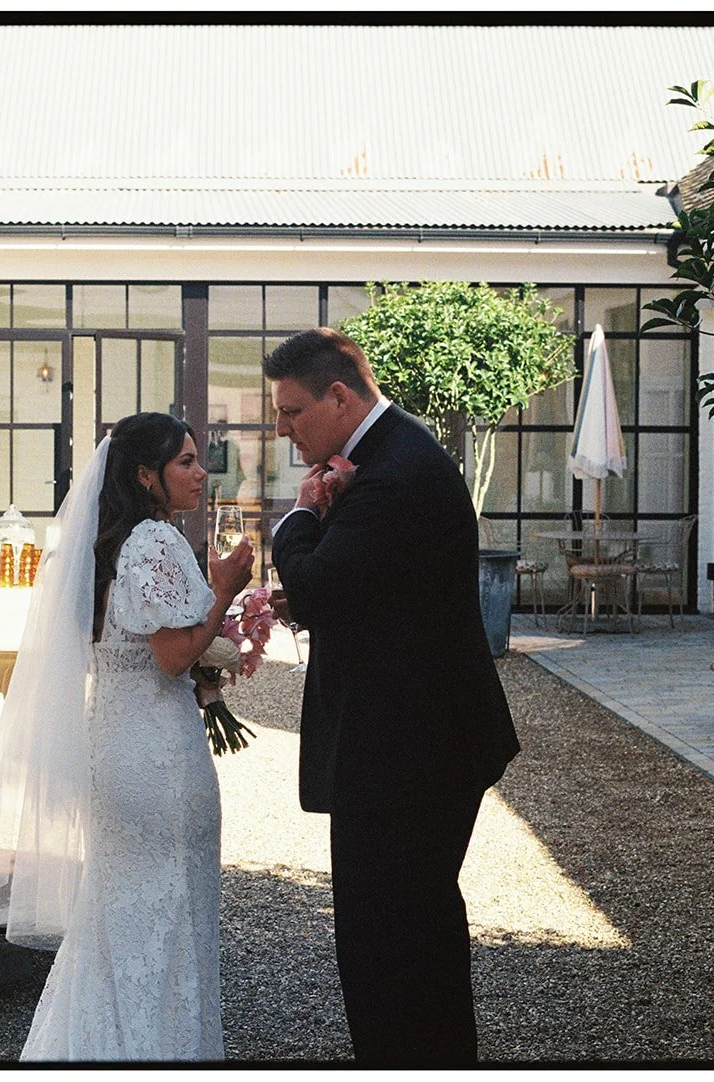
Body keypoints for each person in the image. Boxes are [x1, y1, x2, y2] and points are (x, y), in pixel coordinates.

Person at [0, 411, 254, 1061]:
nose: (202, 473)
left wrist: (208, 671)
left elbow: (134, 648)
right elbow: (172, 655)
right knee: (168, 915)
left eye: (200, 460)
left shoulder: (111, 546)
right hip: (157, 754)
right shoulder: (156, 542)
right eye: (186, 462)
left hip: (115, 744)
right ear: (146, 476)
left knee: (121, 917)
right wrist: (225, 591)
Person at [263, 327, 520, 1065]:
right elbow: (365, 590)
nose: (282, 429)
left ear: (339, 397)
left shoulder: (395, 472)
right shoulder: (387, 455)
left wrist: (301, 518)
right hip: (414, 740)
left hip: (409, 751)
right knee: (412, 935)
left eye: (291, 412)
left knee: (388, 943)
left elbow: (318, 586)